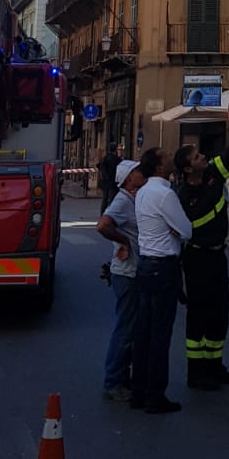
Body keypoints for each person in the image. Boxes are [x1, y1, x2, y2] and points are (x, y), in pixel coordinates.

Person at [174, 125, 229, 391]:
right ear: (188, 169)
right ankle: (196, 371)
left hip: (218, 256)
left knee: (219, 313)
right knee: (198, 315)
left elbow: (228, 157)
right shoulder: (183, 196)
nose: (203, 157)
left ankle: (215, 365)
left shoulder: (213, 173)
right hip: (197, 258)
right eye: (196, 157)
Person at [129, 147, 191, 415]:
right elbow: (187, 230)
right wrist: (175, 229)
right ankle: (155, 394)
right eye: (165, 157)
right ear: (158, 167)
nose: (170, 158)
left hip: (145, 264)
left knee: (143, 331)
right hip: (164, 267)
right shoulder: (165, 194)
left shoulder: (143, 192)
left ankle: (138, 391)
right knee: (160, 333)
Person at [96, 158, 144, 401]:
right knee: (125, 329)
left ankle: (123, 378)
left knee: (131, 328)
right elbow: (103, 225)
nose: (142, 173)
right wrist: (124, 242)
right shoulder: (122, 201)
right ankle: (113, 382)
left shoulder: (133, 199)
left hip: (132, 271)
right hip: (126, 273)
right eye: (138, 171)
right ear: (129, 178)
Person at [96, 145, 123, 214]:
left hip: (105, 182)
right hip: (113, 182)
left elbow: (98, 165)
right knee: (112, 198)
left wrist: (104, 174)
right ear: (115, 150)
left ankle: (102, 213)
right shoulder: (116, 159)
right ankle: (110, 213)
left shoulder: (105, 158)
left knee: (105, 198)